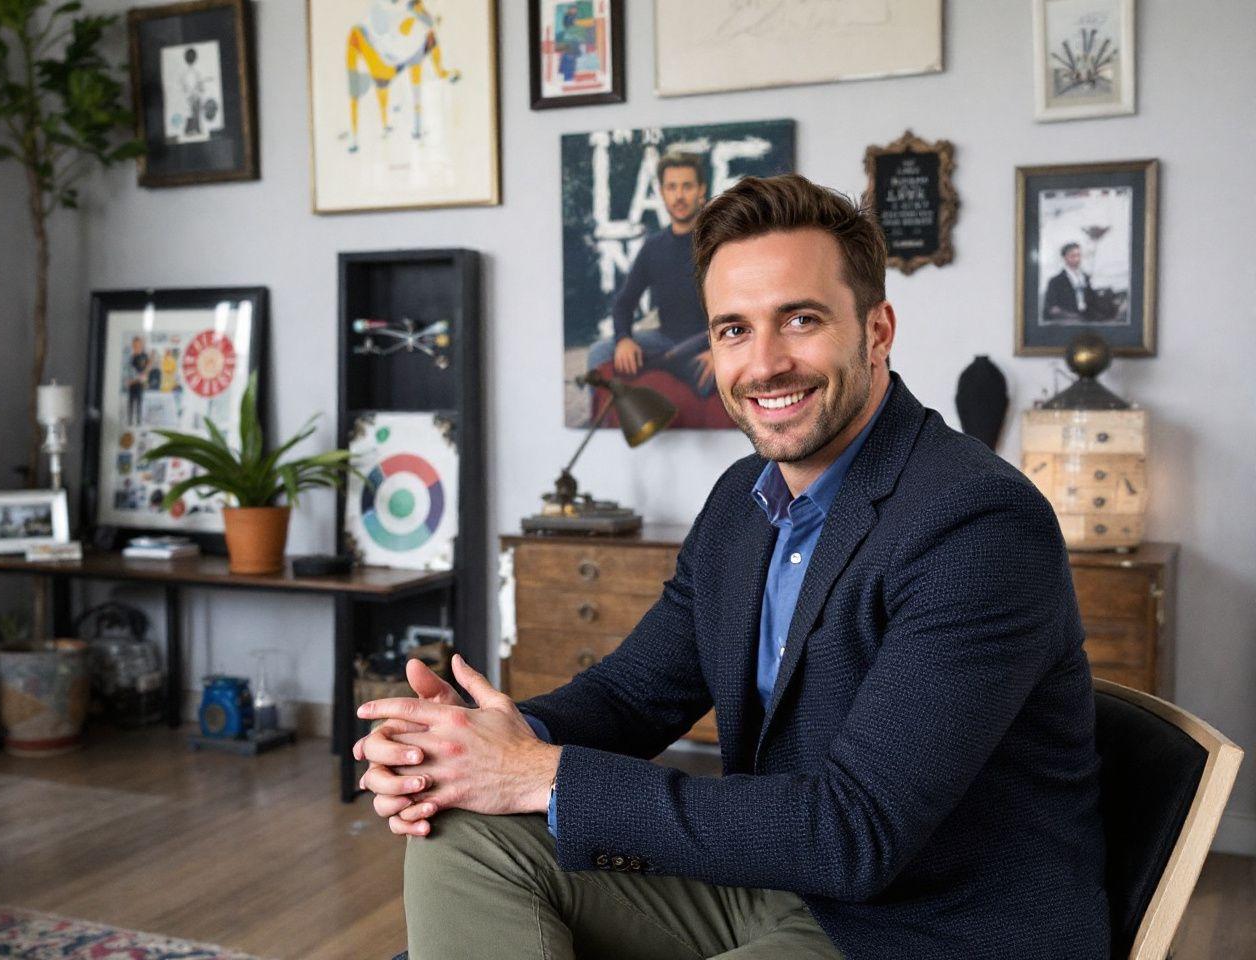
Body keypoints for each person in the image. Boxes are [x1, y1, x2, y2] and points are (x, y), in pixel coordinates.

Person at [356, 174, 1109, 959]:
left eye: (801, 319)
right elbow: (634, 694)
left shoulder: (978, 523)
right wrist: (476, 745)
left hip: (928, 927)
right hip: (773, 885)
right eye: (733, 330)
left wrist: (537, 774)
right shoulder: (742, 504)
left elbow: (854, 833)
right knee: (460, 832)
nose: (765, 363)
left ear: (878, 330)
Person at [587, 152, 716, 396]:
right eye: (672, 187)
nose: (679, 196)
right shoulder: (653, 247)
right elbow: (623, 304)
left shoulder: (719, 243)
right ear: (662, 192)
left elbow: (743, 310)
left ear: (701, 190)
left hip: (708, 342)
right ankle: (608, 430)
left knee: (707, 386)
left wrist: (721, 350)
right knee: (599, 353)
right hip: (665, 341)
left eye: (687, 186)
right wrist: (624, 338)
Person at [1043, 241, 1092, 320]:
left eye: (1078, 255)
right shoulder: (1055, 281)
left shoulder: (1086, 278)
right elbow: (1052, 308)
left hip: (1087, 320)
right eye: (1072, 256)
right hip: (1067, 321)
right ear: (1064, 257)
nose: (1077, 259)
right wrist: (1073, 317)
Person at [126, 337, 150, 426]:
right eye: (134, 345)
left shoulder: (144, 356)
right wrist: (129, 380)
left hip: (139, 384)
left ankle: (139, 422)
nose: (136, 347)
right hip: (131, 384)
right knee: (130, 403)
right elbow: (129, 370)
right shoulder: (131, 356)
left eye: (138, 345)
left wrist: (136, 380)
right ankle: (130, 422)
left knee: (139, 403)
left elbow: (145, 372)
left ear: (141, 345)